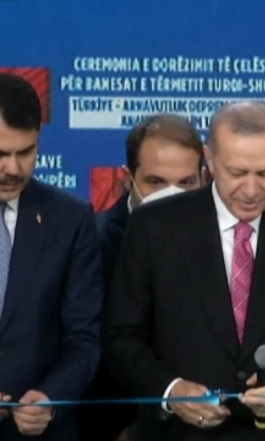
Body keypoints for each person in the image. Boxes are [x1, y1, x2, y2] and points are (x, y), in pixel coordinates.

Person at [102, 101, 265, 440]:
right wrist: (170, 390)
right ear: (209, 159)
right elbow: (121, 337)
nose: (251, 191)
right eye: (237, 173)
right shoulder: (153, 226)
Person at [77, 114, 206, 441]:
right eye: (156, 182)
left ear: (204, 180)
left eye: (186, 182)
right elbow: (87, 349)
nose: (172, 195)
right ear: (127, 179)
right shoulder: (92, 244)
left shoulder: (223, 240)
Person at [0, 74, 102, 440]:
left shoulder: (70, 219)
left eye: (26, 152)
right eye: (1, 154)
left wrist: (50, 397)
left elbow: (83, 338)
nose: (14, 169)